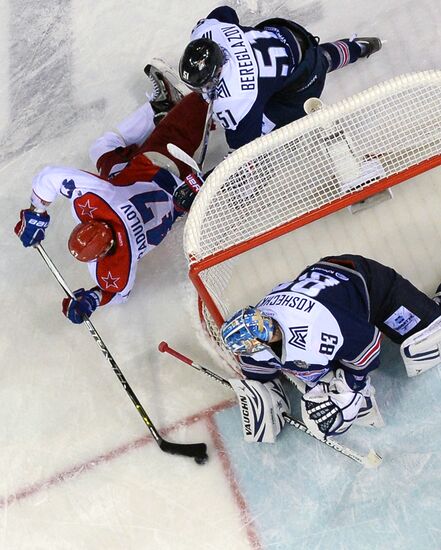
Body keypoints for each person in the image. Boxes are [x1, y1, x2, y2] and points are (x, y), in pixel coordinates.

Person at [14, 69, 207, 324]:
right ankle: (165, 111)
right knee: (205, 98)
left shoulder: (119, 265)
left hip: (182, 196)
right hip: (161, 164)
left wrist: (94, 299)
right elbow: (49, 177)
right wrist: (36, 212)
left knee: (101, 150)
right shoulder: (97, 200)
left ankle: (160, 109)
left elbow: (119, 293)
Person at [220, 254, 441, 442]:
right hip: (330, 296)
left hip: (369, 286)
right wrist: (259, 393)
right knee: (324, 379)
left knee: (429, 341)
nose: (272, 330)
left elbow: (368, 343)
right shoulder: (258, 337)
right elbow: (258, 369)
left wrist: (351, 384)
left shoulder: (315, 327)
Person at [179, 5, 382, 152]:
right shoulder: (207, 32)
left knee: (261, 139)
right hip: (285, 33)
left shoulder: (236, 99)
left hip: (302, 82)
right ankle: (357, 47)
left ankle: (353, 50)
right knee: (315, 58)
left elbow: (242, 146)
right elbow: (226, 12)